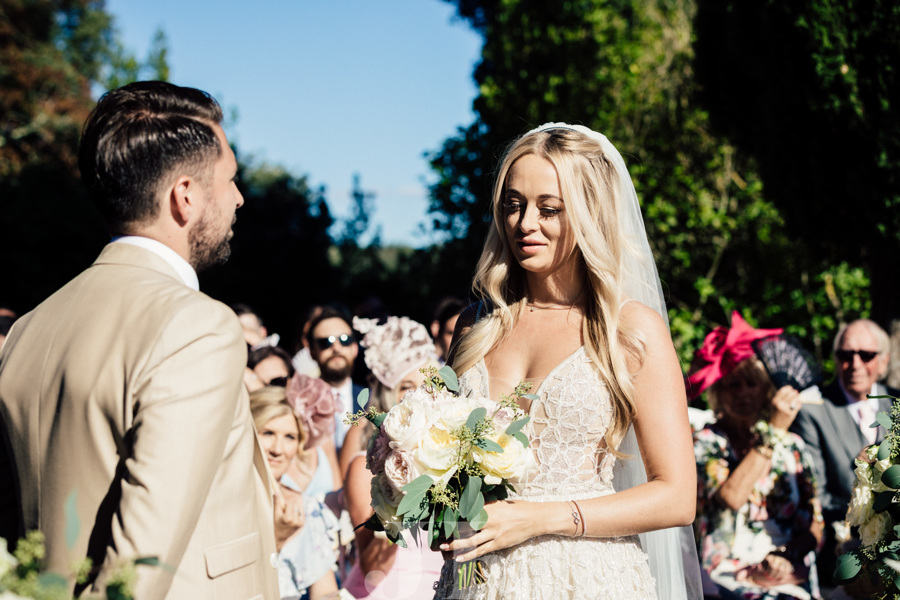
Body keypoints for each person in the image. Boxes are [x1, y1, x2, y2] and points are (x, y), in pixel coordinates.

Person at [0, 81, 280, 598]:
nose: (240, 198)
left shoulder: (25, 330)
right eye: (230, 180)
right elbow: (140, 566)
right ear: (186, 195)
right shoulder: (196, 326)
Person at [432, 123, 700, 599]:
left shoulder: (629, 330)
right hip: (479, 580)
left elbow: (677, 496)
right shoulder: (475, 323)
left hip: (586, 577)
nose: (524, 224)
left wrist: (540, 518)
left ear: (588, 212)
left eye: (548, 209)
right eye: (512, 205)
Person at [687, 312, 824, 600]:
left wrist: (786, 556)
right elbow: (731, 498)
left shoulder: (792, 446)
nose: (743, 393)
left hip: (785, 573)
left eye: (752, 384)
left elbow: (815, 522)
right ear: (719, 391)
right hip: (724, 574)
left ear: (766, 389)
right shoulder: (707, 443)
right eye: (733, 384)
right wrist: (773, 432)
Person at [790, 319, 899, 588]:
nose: (856, 364)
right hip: (841, 552)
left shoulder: (897, 404)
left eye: (866, 355)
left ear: (883, 362)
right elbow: (817, 495)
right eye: (846, 355)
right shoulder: (812, 410)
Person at [342, 315, 444, 599]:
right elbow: (372, 565)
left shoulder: (452, 458)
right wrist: (396, 497)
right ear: (388, 396)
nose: (418, 394)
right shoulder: (363, 468)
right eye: (405, 386)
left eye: (428, 384)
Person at [250, 387, 342, 600]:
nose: (278, 449)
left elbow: (325, 591)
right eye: (268, 433)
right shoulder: (222, 504)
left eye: (290, 437)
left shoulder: (308, 509)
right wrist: (276, 539)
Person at [307, 307, 364, 454]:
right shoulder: (301, 403)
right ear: (312, 352)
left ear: (355, 348)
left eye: (345, 340)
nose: (336, 347)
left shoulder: (373, 402)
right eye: (326, 342)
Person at [430, 296, 467, 365]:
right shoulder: (422, 367)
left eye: (465, 335)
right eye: (452, 333)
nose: (458, 341)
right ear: (437, 330)